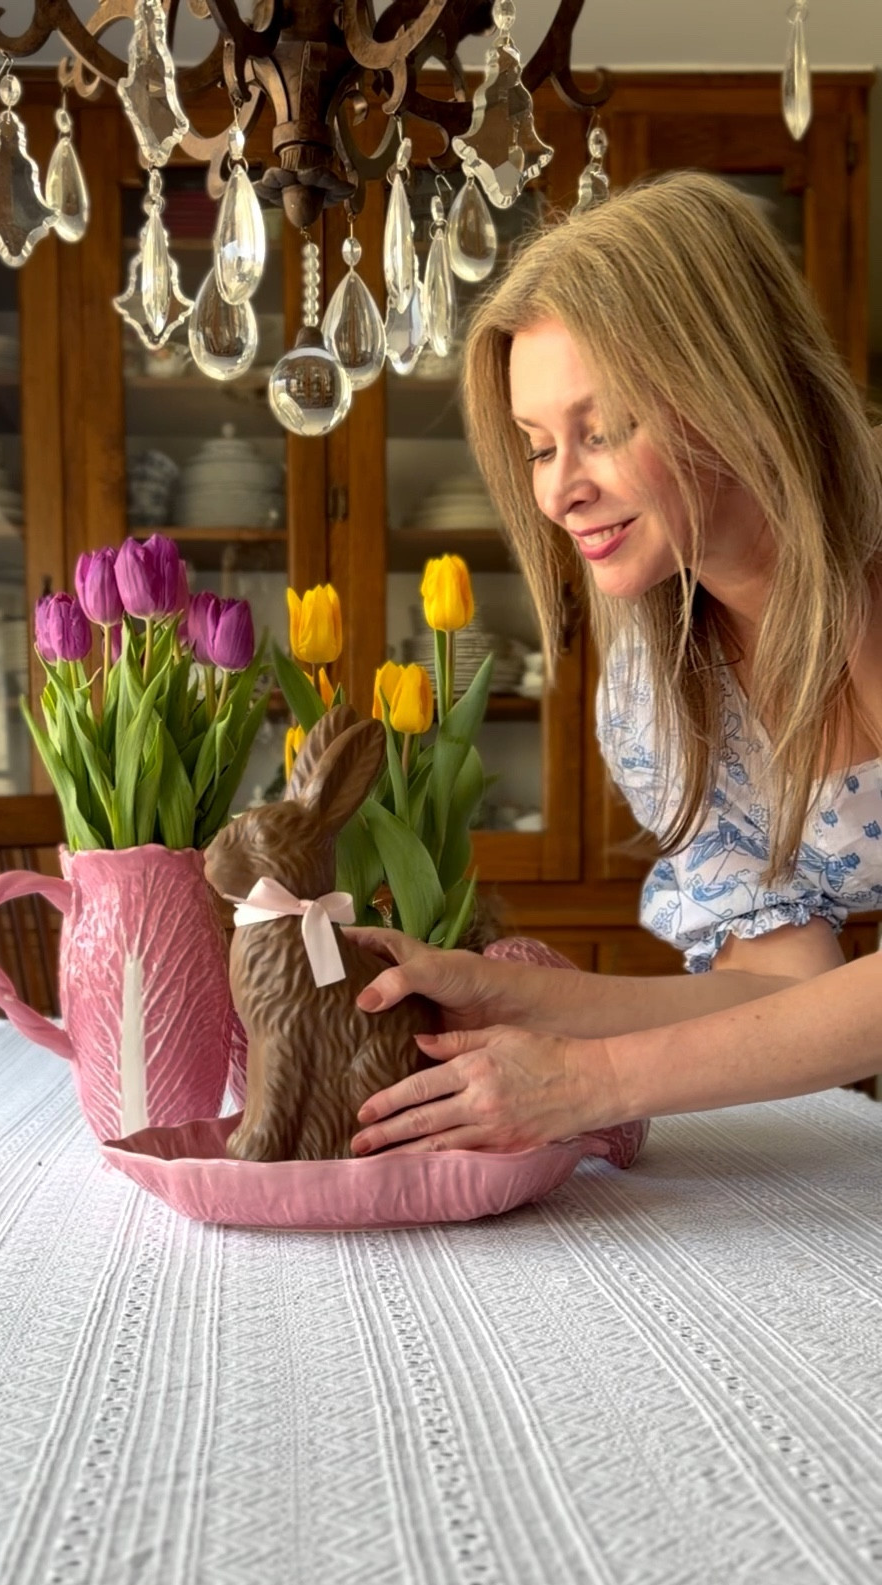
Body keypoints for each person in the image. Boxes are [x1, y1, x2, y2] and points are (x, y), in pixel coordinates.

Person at [346, 170, 882, 1157]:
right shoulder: (659, 692)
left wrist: (590, 1083)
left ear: (737, 385)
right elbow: (782, 991)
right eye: (539, 446)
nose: (561, 492)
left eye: (604, 430)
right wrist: (510, 995)